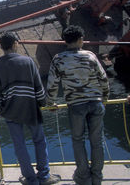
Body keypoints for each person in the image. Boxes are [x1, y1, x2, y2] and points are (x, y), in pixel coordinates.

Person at [0, 32, 60, 185]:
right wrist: (45, 103)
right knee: (39, 141)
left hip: (10, 112)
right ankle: (44, 176)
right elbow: (38, 88)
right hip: (31, 109)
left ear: (1, 47)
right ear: (15, 43)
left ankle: (30, 179)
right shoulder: (28, 62)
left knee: (19, 145)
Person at [46, 25, 110, 185]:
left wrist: (51, 102)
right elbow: (103, 79)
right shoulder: (90, 56)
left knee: (77, 140)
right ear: (80, 39)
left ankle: (83, 177)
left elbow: (52, 84)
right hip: (96, 103)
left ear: (65, 41)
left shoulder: (59, 59)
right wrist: (105, 98)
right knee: (97, 141)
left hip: (75, 105)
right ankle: (97, 177)